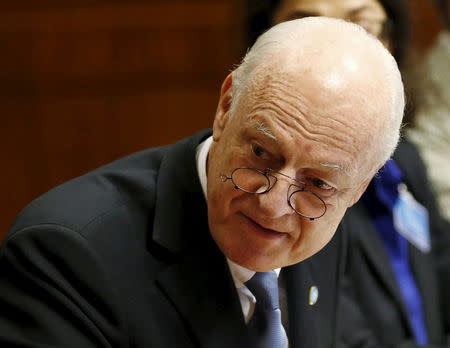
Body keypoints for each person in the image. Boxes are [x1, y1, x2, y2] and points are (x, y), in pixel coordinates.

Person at [0, 18, 404, 348]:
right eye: (262, 153)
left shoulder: (322, 226)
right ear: (227, 106)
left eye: (316, 181)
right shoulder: (66, 255)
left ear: (359, 187)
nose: (274, 204)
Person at [245, 0, 450, 346]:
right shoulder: (270, 194)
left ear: (391, 43)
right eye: (309, 28)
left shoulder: (403, 157)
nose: (337, 50)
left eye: (363, 28)